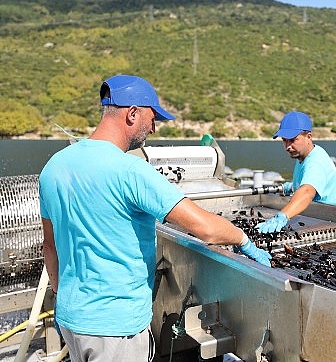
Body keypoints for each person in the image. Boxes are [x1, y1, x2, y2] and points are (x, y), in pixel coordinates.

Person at [39, 74, 272, 362]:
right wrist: (244, 240)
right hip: (117, 330)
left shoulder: (53, 167)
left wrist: (69, 300)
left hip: (73, 321)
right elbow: (206, 228)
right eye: (152, 118)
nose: (153, 127)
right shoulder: (131, 171)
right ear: (132, 113)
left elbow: (49, 246)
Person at [256, 111, 336, 233]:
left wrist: (281, 217)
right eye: (284, 140)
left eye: (293, 140)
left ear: (309, 137)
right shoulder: (304, 155)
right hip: (313, 218)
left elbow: (307, 192)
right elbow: (308, 181)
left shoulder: (316, 161)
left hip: (329, 223)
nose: (287, 146)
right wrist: (292, 186)